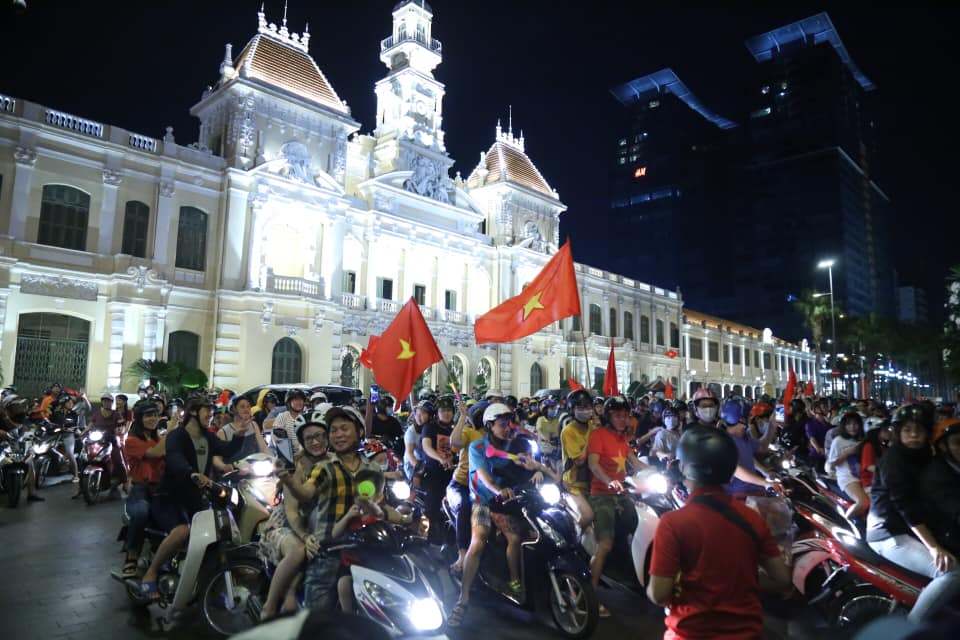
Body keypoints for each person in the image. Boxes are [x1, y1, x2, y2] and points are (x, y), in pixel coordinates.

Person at [647, 426, 791, 639]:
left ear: (685, 467)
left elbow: (658, 595)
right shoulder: (751, 518)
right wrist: (735, 582)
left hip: (691, 633)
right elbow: (782, 580)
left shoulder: (673, 523)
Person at [447, 403, 552, 628]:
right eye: (502, 425)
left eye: (509, 424)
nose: (507, 428)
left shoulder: (515, 445)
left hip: (511, 503)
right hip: (483, 503)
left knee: (525, 535)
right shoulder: (477, 447)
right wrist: (498, 491)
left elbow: (528, 463)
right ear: (489, 426)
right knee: (478, 542)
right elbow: (485, 478)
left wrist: (537, 471)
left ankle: (519, 582)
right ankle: (463, 598)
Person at [300, 406, 411, 610]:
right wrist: (306, 537)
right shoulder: (322, 469)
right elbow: (303, 507)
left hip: (365, 551)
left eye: (344, 428)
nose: (338, 434)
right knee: (316, 622)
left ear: (359, 432)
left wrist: (406, 520)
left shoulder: (373, 469)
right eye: (333, 430)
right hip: (328, 552)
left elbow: (382, 507)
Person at [138, 395, 243, 601]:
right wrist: (191, 473)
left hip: (196, 495)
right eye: (207, 410)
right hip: (169, 495)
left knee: (217, 529)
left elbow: (226, 450)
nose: (210, 415)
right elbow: (175, 459)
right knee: (182, 530)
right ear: (194, 412)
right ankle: (151, 572)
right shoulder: (177, 436)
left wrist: (239, 435)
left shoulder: (209, 436)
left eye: (212, 411)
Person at [866, 404, 955, 579]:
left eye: (919, 430)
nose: (914, 435)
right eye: (907, 430)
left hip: (912, 529)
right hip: (890, 532)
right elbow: (906, 507)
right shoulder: (893, 462)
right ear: (898, 432)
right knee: (949, 572)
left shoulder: (926, 456)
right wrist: (933, 547)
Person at [260, 409, 333, 621]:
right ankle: (270, 607)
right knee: (298, 551)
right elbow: (292, 512)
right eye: (309, 438)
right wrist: (304, 536)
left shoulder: (335, 461)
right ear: (302, 440)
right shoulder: (296, 467)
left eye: (320, 436)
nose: (316, 442)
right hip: (288, 525)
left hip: (316, 525)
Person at [587, 396, 648, 617]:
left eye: (625, 415)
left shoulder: (622, 438)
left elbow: (635, 462)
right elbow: (593, 465)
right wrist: (608, 480)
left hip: (623, 494)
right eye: (618, 415)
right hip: (602, 495)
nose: (623, 420)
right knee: (604, 544)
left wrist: (658, 472)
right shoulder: (598, 435)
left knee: (642, 527)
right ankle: (590, 595)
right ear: (608, 416)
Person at [119, 399, 170, 578]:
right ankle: (131, 556)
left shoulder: (157, 437)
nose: (153, 419)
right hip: (141, 489)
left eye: (155, 415)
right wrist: (170, 431)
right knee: (141, 512)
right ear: (139, 418)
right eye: (148, 415)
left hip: (161, 488)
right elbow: (155, 453)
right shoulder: (132, 440)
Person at [331, 468, 387, 613]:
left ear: (378, 497)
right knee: (344, 583)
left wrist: (368, 503)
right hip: (350, 566)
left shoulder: (377, 514)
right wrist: (347, 517)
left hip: (374, 564)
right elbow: (335, 534)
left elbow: (379, 513)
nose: (360, 497)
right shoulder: (351, 514)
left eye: (367, 493)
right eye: (357, 493)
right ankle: (349, 616)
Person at [448, 399, 484, 575]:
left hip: (484, 489)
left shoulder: (499, 436)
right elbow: (454, 442)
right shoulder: (470, 433)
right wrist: (462, 417)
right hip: (461, 486)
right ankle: (462, 555)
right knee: (464, 507)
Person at [720, 399, 780, 497]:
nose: (750, 417)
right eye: (748, 415)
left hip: (753, 491)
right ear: (741, 419)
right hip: (737, 496)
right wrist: (765, 483)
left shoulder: (744, 437)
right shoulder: (724, 442)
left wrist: (772, 426)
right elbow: (737, 470)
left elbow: (762, 447)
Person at [421, 394, 456, 545]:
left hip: (453, 473)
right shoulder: (430, 427)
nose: (447, 413)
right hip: (434, 472)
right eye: (443, 410)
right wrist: (440, 459)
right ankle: (426, 540)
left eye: (449, 410)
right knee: (431, 508)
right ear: (437, 412)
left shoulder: (456, 429)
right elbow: (426, 447)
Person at [560, 389, 596, 528]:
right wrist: (592, 439)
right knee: (587, 515)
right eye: (580, 408)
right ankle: (575, 543)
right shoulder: (568, 431)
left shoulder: (592, 426)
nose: (585, 411)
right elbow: (579, 460)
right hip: (573, 484)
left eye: (587, 407)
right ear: (572, 409)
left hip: (592, 482)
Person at [826, 411, 869, 520]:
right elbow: (831, 464)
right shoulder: (838, 441)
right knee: (863, 502)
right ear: (844, 426)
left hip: (864, 477)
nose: (852, 427)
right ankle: (846, 523)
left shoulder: (863, 440)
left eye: (855, 424)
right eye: (849, 424)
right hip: (848, 478)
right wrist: (847, 453)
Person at [0, 394, 45, 501]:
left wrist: (33, 432)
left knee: (30, 463)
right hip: (3, 445)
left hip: (18, 445)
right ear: (9, 406)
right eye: (16, 405)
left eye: (20, 404)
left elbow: (23, 428)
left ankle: (32, 493)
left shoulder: (21, 416)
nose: (20, 407)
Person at [88, 392, 126, 494]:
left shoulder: (116, 414)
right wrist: (82, 433)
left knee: (118, 460)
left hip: (111, 440)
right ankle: (81, 486)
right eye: (104, 401)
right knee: (84, 457)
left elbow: (121, 425)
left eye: (108, 401)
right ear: (102, 402)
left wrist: (120, 430)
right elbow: (90, 425)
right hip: (97, 440)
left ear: (111, 402)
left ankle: (125, 482)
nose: (106, 403)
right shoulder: (97, 413)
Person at [216, 395, 270, 467]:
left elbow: (263, 447)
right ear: (234, 409)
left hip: (255, 468)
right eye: (242, 407)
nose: (246, 409)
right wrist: (224, 467)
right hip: (235, 471)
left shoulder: (253, 425)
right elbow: (218, 457)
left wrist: (272, 459)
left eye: (248, 406)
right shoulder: (223, 432)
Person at [269, 389, 307, 458]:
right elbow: (277, 438)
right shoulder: (282, 416)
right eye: (296, 399)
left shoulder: (306, 417)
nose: (299, 402)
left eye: (301, 399)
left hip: (305, 455)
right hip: (285, 455)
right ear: (289, 402)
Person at [403, 400, 433, 482]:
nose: (419, 417)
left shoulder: (433, 428)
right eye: (417, 414)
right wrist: (419, 468)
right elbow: (410, 453)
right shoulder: (411, 432)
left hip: (428, 462)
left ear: (430, 415)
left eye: (423, 414)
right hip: (413, 463)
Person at [861, 417, 892, 492]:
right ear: (875, 432)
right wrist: (889, 472)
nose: (889, 432)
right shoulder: (868, 446)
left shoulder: (884, 446)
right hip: (871, 483)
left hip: (882, 481)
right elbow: (868, 466)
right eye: (885, 430)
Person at [535, 397, 562, 474]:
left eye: (555, 408)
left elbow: (560, 433)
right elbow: (539, 431)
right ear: (545, 409)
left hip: (556, 449)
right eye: (552, 408)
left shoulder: (557, 421)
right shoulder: (541, 420)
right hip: (544, 449)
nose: (554, 410)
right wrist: (546, 438)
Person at [804, 400, 831, 470]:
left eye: (827, 407)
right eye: (824, 407)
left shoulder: (828, 424)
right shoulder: (810, 424)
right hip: (816, 457)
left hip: (827, 456)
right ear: (816, 409)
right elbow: (812, 438)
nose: (827, 409)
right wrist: (818, 448)